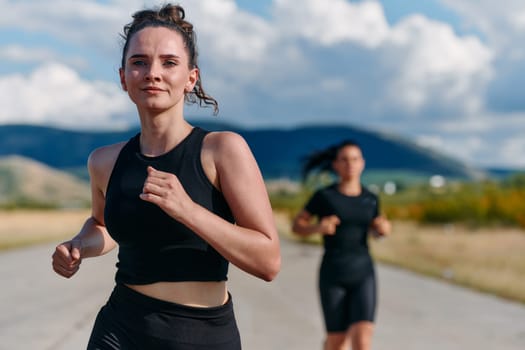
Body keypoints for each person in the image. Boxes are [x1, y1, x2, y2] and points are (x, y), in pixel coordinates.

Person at [51, 3, 280, 349]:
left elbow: (268, 261)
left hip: (201, 334)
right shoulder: (104, 161)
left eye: (169, 62)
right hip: (120, 328)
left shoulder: (222, 150)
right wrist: (80, 245)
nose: (152, 73)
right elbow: (102, 226)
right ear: (123, 77)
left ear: (191, 78)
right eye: (139, 62)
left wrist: (187, 209)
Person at [292, 140, 391, 350]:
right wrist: (318, 228)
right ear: (335, 165)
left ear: (362, 163)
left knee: (363, 342)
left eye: (355, 159)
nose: (350, 164)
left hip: (363, 273)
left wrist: (382, 230)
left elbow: (376, 229)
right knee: (337, 343)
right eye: (344, 160)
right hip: (333, 274)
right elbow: (297, 225)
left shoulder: (371, 199)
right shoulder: (325, 196)